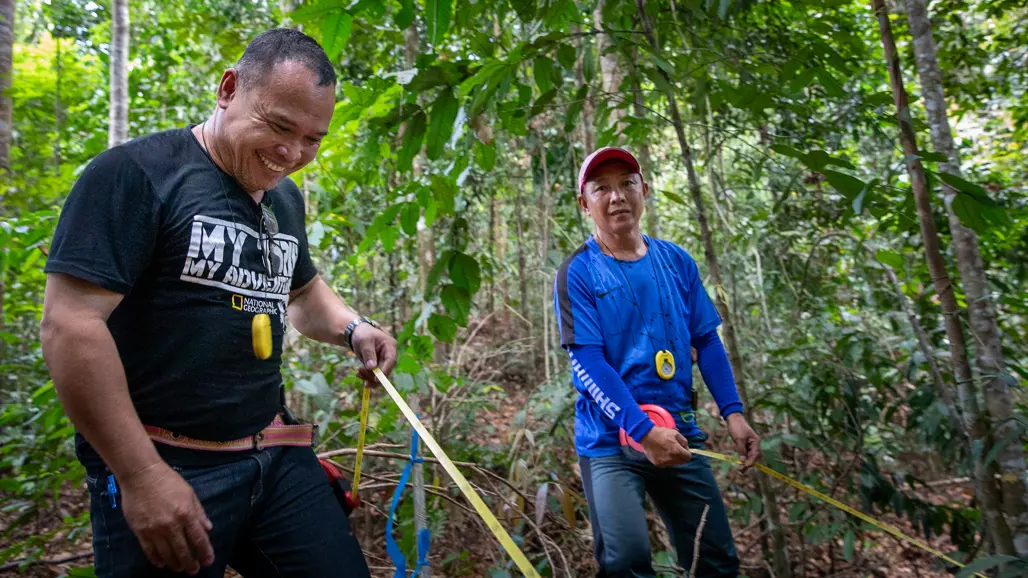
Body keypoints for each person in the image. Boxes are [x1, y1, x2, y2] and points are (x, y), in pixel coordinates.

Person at [39, 29, 395, 578]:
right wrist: (141, 476)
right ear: (228, 88)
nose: (291, 153)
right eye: (279, 126)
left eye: (312, 140)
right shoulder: (137, 174)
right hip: (166, 460)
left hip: (273, 453)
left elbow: (301, 293)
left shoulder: (282, 197)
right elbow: (71, 325)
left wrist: (354, 328)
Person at [553, 146, 761, 577]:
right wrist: (642, 432)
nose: (617, 197)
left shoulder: (676, 261)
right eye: (601, 188)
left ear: (644, 190)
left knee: (716, 559)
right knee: (626, 559)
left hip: (678, 431)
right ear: (584, 203)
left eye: (627, 184)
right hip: (611, 438)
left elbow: (707, 340)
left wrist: (734, 414)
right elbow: (588, 363)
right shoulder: (578, 271)